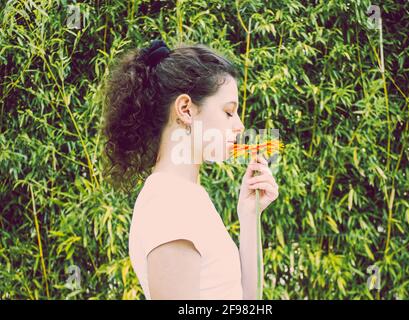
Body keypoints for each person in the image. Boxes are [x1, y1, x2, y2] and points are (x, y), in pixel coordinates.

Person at [101, 39, 279, 299]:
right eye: (229, 112)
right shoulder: (169, 204)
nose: (240, 126)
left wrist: (249, 216)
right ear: (185, 110)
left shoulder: (187, 196)